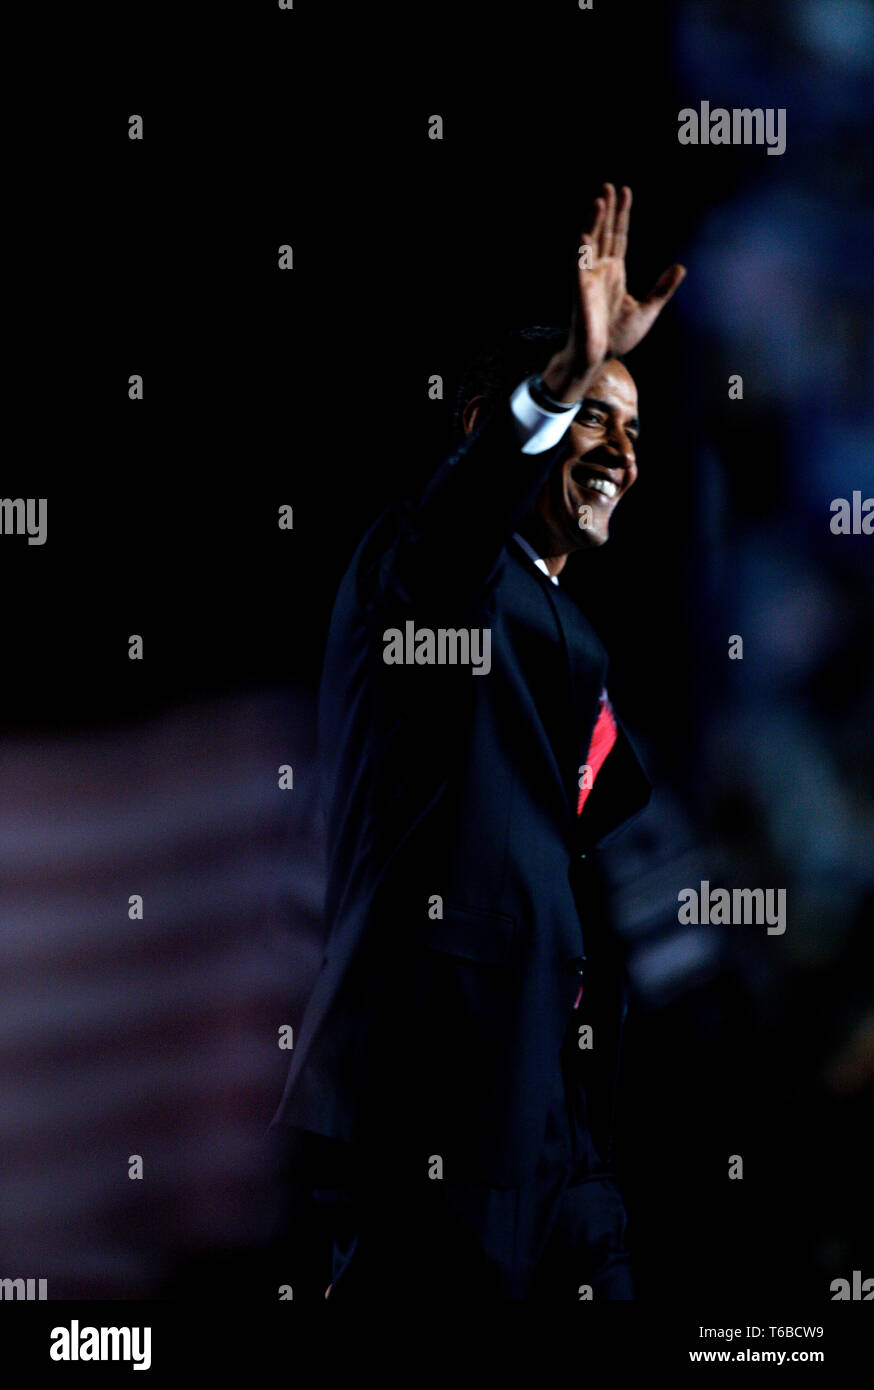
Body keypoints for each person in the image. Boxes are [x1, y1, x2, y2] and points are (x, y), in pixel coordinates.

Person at [269, 183, 686, 1301]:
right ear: (483, 425)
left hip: (561, 1144)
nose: (619, 452)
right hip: (431, 1127)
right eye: (598, 415)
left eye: (634, 430)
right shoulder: (422, 576)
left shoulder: (569, 633)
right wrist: (559, 375)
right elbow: (461, 521)